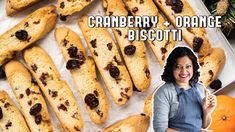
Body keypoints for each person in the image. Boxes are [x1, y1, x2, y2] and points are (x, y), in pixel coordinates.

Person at [153, 46, 216, 132]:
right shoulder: (164, 93)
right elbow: (160, 129)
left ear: (193, 67)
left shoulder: (200, 88)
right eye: (178, 67)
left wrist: (207, 111)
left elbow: (204, 125)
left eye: (188, 66)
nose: (184, 71)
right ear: (171, 68)